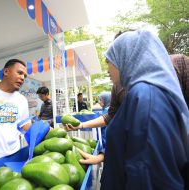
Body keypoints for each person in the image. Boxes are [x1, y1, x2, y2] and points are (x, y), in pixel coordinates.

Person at [66, 30, 189, 189]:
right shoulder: (141, 93)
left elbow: (147, 173)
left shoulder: (146, 97)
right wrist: (104, 155)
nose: (107, 64)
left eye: (110, 58)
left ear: (126, 57)